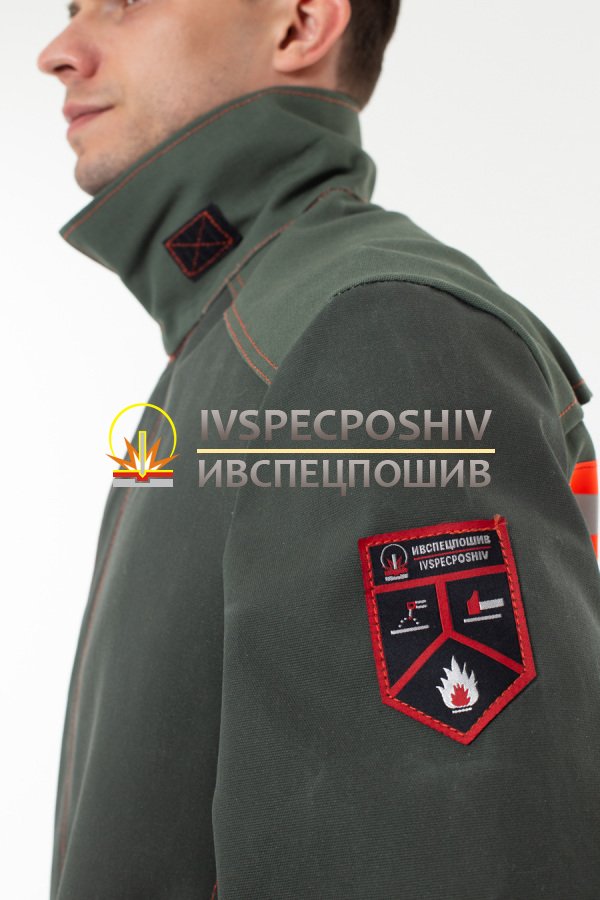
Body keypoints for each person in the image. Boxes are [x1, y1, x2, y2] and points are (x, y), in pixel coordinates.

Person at [38, 1, 600, 898]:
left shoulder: (375, 334)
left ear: (301, 23)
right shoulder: (234, 348)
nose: (59, 51)